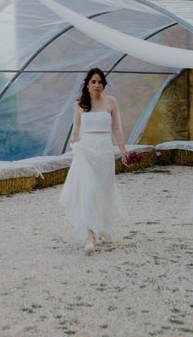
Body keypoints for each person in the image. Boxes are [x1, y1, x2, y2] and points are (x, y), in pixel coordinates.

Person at [59, 68, 129, 254]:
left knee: (103, 190)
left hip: (105, 150)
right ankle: (89, 235)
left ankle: (101, 228)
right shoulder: (80, 103)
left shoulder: (111, 102)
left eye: (100, 82)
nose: (97, 85)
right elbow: (77, 127)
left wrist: (123, 151)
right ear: (87, 84)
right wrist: (73, 139)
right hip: (86, 150)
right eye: (93, 82)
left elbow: (116, 129)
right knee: (87, 190)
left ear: (103, 84)